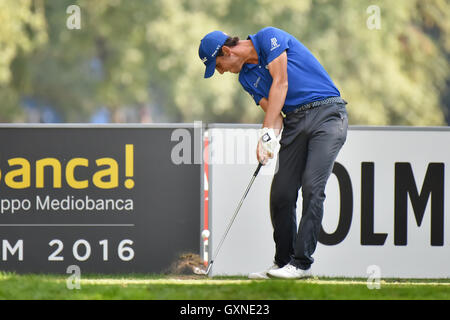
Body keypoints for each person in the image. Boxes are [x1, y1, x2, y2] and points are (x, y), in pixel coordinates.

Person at [198, 27, 348, 279]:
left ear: (226, 51)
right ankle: (283, 263)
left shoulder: (269, 38)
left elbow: (281, 82)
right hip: (294, 122)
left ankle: (301, 264)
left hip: (328, 114)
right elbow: (275, 114)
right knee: (281, 194)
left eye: (219, 65)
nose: (221, 72)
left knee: (312, 187)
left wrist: (267, 132)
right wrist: (266, 140)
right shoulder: (245, 79)